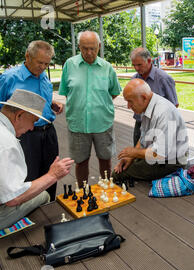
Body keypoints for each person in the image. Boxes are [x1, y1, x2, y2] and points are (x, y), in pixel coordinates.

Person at [0, 40, 64, 201]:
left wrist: (51, 103)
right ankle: (28, 214)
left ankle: (48, 204)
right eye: (40, 62)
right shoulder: (9, 78)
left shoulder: (43, 77)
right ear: (27, 56)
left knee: (50, 173)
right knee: (27, 175)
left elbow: (35, 99)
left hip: (48, 132)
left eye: (47, 64)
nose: (43, 67)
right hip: (24, 135)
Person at [0, 89, 73, 229]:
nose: (32, 128)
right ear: (19, 115)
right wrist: (53, 175)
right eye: (33, 121)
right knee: (43, 195)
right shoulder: (6, 142)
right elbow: (13, 198)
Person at [59, 31, 121, 187]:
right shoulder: (69, 65)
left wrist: (98, 105)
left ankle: (106, 187)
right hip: (78, 124)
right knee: (80, 162)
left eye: (92, 48)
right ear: (79, 46)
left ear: (99, 46)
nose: (88, 52)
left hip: (102, 123)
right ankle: (83, 190)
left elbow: (114, 92)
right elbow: (67, 93)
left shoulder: (107, 68)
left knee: (105, 159)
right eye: (84, 48)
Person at [112, 79, 188, 181]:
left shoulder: (163, 112)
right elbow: (144, 137)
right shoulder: (147, 105)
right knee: (124, 166)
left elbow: (160, 155)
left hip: (172, 162)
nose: (128, 106)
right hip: (159, 155)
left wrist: (134, 153)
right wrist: (131, 157)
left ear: (143, 97)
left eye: (130, 102)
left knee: (118, 174)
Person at [130, 47, 178, 146]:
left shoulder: (164, 79)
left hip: (160, 127)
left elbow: (174, 105)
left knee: (156, 158)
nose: (136, 68)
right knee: (136, 158)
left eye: (139, 65)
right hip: (140, 125)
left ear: (149, 61)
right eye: (134, 65)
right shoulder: (134, 79)